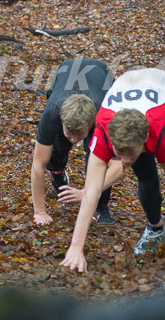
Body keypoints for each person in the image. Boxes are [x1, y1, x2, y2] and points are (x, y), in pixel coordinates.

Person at [61, 68, 165, 273]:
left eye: (131, 155)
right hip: (128, 90)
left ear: (145, 141)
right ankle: (156, 228)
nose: (125, 161)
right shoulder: (102, 133)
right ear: (112, 142)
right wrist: (76, 247)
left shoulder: (159, 132)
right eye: (120, 155)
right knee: (147, 182)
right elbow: (91, 192)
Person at [30, 58, 123, 225]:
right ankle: (57, 172)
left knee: (97, 157)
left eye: (79, 136)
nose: (74, 141)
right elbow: (38, 164)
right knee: (56, 149)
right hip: (66, 70)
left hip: (102, 74)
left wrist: (88, 192)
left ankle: (100, 206)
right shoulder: (53, 111)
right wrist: (40, 211)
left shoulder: (105, 117)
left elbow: (116, 167)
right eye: (70, 134)